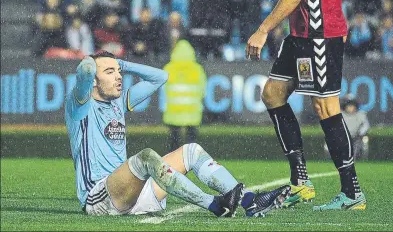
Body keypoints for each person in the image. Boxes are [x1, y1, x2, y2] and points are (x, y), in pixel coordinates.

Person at [245, 0, 366, 211]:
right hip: (304, 31)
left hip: (319, 31)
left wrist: (263, 29)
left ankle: (352, 192)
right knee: (273, 93)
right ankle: (301, 182)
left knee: (325, 106)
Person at [65, 51, 291, 218]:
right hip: (100, 199)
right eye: (109, 72)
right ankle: (214, 204)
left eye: (119, 71)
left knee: (190, 150)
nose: (118, 76)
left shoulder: (117, 104)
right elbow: (84, 71)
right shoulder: (80, 104)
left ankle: (250, 201)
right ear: (94, 80)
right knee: (145, 157)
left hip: (134, 195)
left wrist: (122, 63)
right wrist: (92, 63)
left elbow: (160, 77)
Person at [162, 40, 207, 151]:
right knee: (191, 140)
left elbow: (163, 89)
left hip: (174, 111)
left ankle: (173, 161)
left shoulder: (169, 68)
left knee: (174, 139)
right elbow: (203, 89)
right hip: (192, 111)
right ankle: (191, 159)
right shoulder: (197, 69)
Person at [340, 95, 370, 161]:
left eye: (352, 106)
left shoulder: (361, 114)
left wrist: (360, 133)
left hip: (357, 138)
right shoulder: (340, 115)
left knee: (356, 149)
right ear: (345, 106)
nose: (351, 108)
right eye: (349, 106)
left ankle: (356, 157)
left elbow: (366, 126)